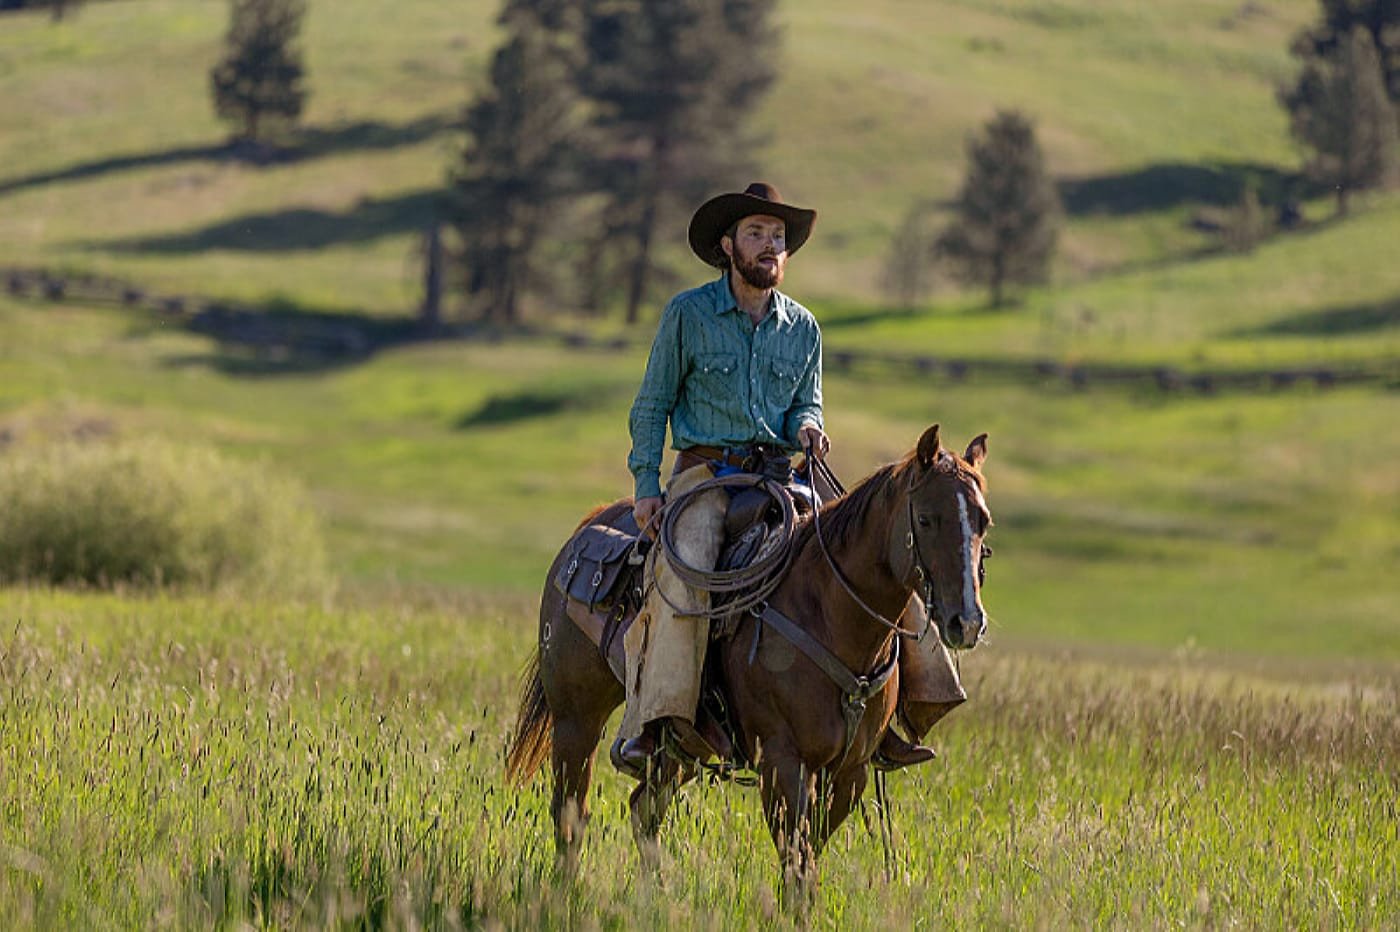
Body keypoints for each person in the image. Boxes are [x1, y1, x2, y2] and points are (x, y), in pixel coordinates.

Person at [615, 182, 965, 776]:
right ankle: (662, 721)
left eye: (778, 237)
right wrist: (648, 484)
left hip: (782, 475)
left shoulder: (803, 327)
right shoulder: (687, 315)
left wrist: (809, 427)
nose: (770, 246)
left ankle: (897, 712)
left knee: (876, 548)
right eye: (756, 233)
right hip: (706, 477)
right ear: (728, 246)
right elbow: (652, 405)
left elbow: (810, 403)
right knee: (686, 570)